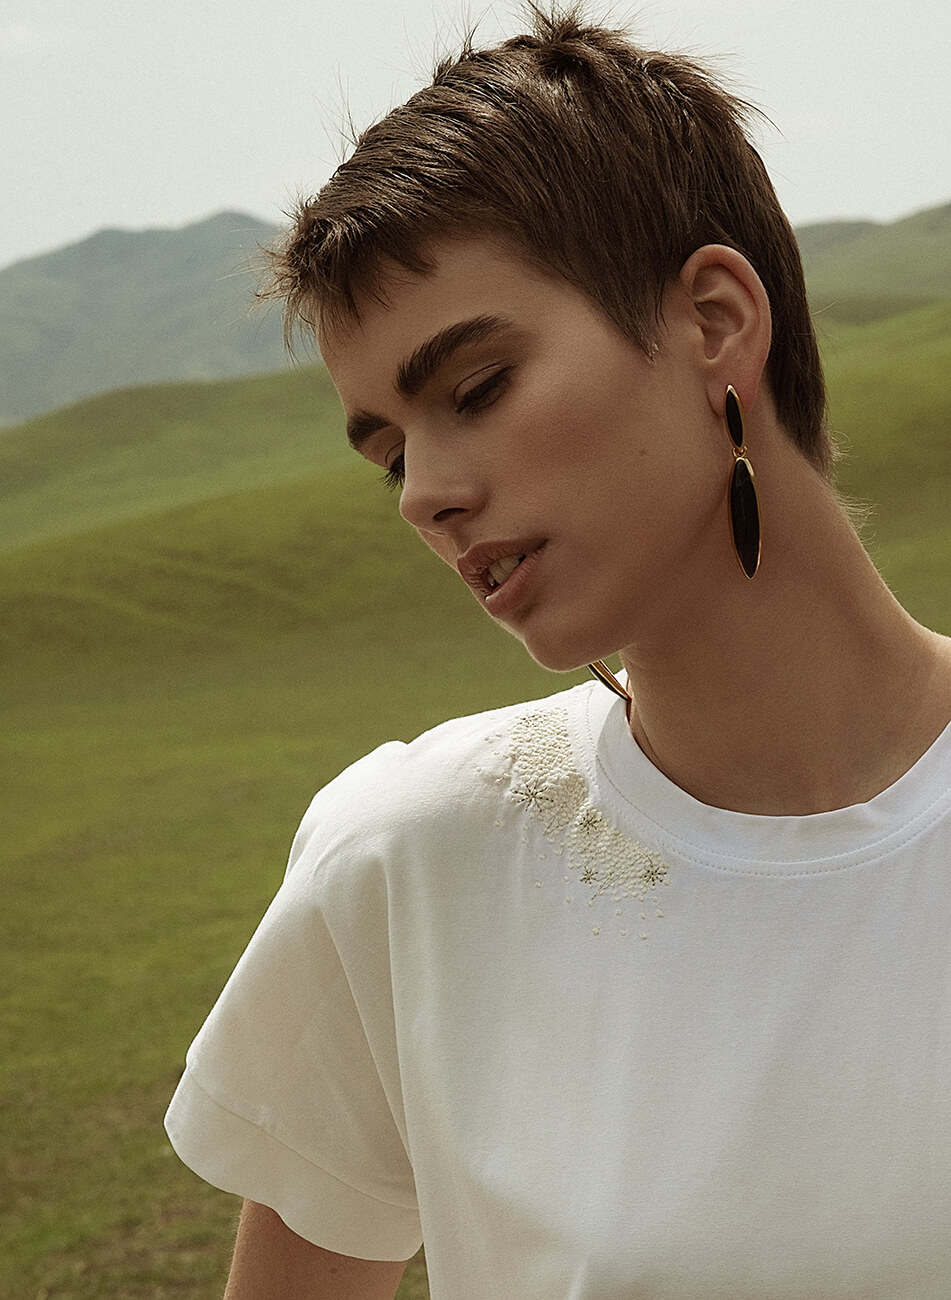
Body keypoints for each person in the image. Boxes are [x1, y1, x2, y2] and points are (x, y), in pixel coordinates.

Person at [164, 6, 951, 1297]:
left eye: (475, 389)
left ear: (714, 320)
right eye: (390, 454)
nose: (426, 495)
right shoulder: (414, 860)